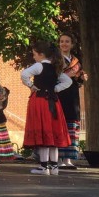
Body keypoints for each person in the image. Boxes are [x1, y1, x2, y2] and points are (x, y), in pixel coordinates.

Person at [21, 41, 72, 176]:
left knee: (44, 133)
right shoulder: (55, 67)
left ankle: (44, 167)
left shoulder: (39, 65)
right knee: (52, 134)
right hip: (53, 102)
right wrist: (55, 89)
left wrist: (31, 86)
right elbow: (68, 81)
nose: (34, 57)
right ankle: (54, 167)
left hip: (40, 101)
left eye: (34, 54)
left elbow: (24, 74)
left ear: (41, 54)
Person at [57, 32, 87, 170]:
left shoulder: (76, 61)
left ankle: (68, 159)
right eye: (62, 41)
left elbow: (79, 78)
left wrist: (82, 76)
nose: (64, 44)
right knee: (59, 125)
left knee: (71, 124)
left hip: (72, 95)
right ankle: (57, 158)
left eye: (67, 41)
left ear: (72, 44)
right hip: (59, 94)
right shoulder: (55, 60)